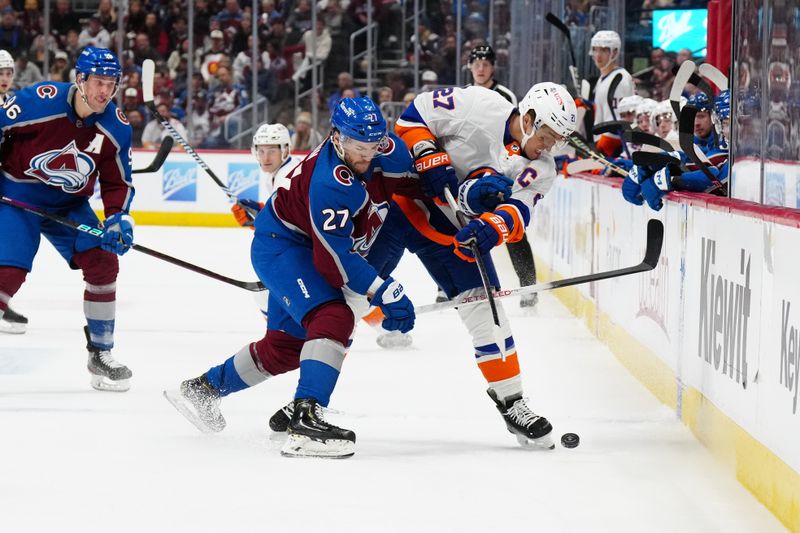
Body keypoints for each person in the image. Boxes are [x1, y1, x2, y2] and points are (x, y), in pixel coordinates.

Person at [165, 97, 420, 458]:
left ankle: (203, 390)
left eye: (373, 147)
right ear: (336, 138)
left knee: (285, 349)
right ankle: (307, 419)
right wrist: (383, 289)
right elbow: (335, 260)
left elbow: (418, 182)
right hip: (281, 246)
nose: (367, 156)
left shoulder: (384, 150)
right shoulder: (332, 182)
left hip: (300, 246)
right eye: (358, 148)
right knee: (334, 317)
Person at [370, 82, 577, 450]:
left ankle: (512, 402)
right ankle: (307, 398)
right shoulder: (481, 105)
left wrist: (490, 229)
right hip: (398, 206)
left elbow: (518, 212)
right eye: (547, 136)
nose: (551, 148)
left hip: (452, 233)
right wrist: (429, 153)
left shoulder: (541, 168)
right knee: (349, 293)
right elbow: (412, 116)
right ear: (528, 118)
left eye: (558, 140)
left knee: (489, 310)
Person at [0, 47, 134, 391]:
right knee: (8, 274)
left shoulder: (115, 128)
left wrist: (118, 218)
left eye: (111, 83)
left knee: (104, 263)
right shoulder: (40, 101)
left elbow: (118, 181)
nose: (105, 91)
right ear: (80, 80)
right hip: (18, 197)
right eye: (99, 82)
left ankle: (100, 354)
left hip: (68, 207)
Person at [466, 44, 537, 308]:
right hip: (470, 168)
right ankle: (449, 286)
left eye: (485, 63)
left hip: (500, 168)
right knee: (458, 223)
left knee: (510, 224)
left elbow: (516, 133)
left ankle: (528, 285)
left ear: (493, 66)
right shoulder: (466, 94)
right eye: (476, 64)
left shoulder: (504, 95)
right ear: (470, 67)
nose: (481, 69)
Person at [622, 90, 730, 211]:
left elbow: (711, 175)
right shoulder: (710, 147)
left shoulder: (737, 157)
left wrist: (669, 178)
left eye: (701, 116)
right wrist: (657, 164)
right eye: (726, 123)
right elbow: (702, 161)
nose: (696, 123)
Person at [589, 31, 634, 158]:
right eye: (595, 50)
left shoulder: (619, 80)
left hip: (614, 148)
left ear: (614, 52)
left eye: (603, 50)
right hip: (602, 142)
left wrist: (606, 145)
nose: (598, 55)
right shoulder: (604, 77)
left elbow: (619, 121)